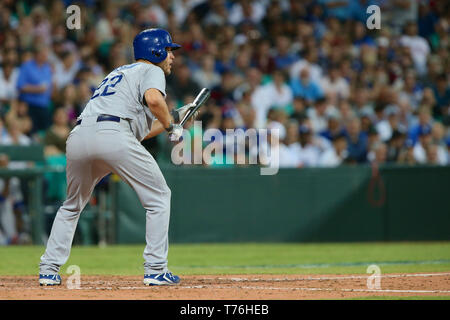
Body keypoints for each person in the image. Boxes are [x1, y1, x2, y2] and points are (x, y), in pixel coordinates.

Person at [38, 29, 196, 286]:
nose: (172, 57)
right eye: (168, 50)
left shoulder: (118, 73)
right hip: (112, 135)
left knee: (71, 205)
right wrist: (172, 128)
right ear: (155, 51)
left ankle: (48, 269)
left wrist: (175, 118)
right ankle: (156, 269)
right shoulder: (152, 70)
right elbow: (154, 100)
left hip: (80, 135)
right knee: (158, 196)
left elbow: (136, 132)